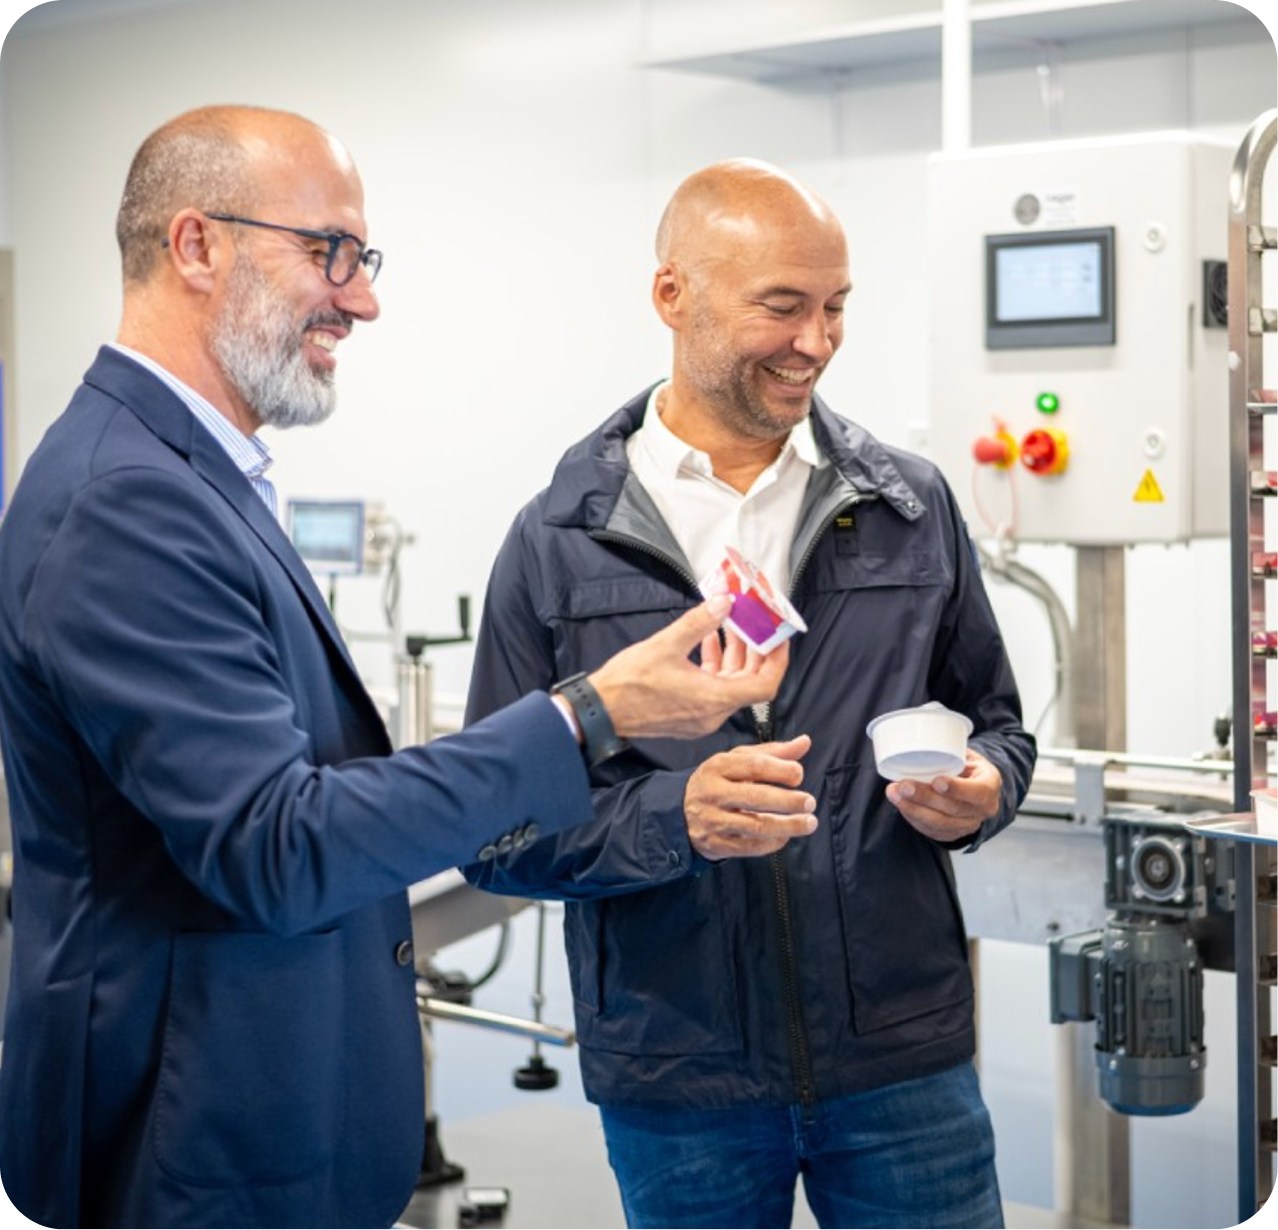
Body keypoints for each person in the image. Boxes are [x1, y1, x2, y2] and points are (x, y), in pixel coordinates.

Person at [0, 109, 797, 1230]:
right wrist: (588, 715)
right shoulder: (124, 501)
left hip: (251, 1126)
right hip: (180, 1152)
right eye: (328, 252)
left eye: (362, 259)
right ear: (196, 245)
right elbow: (278, 848)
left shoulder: (200, 477)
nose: (361, 300)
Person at [463, 158, 1037, 1230]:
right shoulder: (557, 540)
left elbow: (999, 727)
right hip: (680, 1074)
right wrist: (670, 819)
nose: (815, 341)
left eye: (836, 307)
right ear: (671, 294)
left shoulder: (908, 505)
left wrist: (983, 789)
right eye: (781, 306)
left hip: (903, 1060)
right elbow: (495, 832)